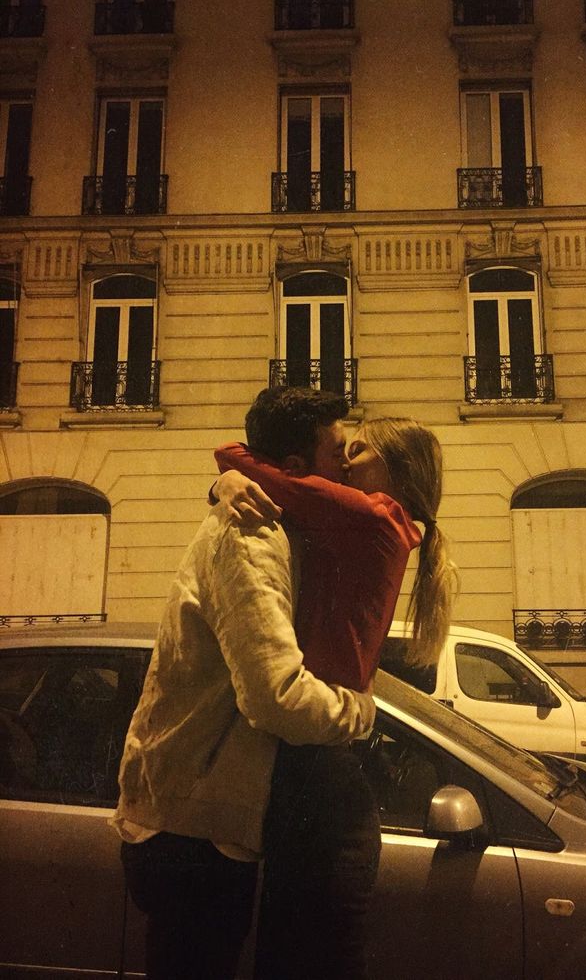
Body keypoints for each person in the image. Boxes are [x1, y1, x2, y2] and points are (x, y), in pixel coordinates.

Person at [113, 387, 376, 980]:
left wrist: (224, 477)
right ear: (292, 469)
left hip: (206, 821)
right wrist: (361, 712)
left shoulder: (280, 523)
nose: (348, 464)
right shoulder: (252, 537)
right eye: (337, 451)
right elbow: (275, 698)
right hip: (190, 832)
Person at [212, 406, 458, 980]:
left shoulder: (375, 516)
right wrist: (223, 489)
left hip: (320, 776)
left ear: (394, 471)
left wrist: (228, 476)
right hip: (317, 766)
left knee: (307, 959)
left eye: (360, 450)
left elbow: (242, 459)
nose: (346, 458)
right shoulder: (360, 522)